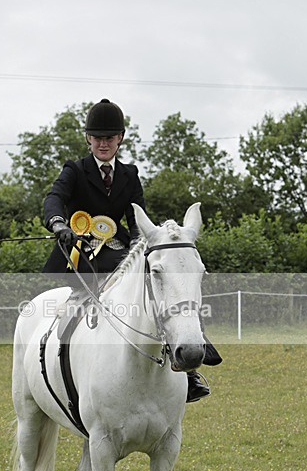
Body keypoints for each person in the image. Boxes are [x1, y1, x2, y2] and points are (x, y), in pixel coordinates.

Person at [43, 97, 212, 402]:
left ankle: (188, 366)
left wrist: (142, 247)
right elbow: (54, 198)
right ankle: (63, 363)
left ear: (119, 138)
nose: (102, 144)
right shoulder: (75, 170)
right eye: (96, 138)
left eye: (108, 138)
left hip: (120, 250)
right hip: (81, 250)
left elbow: (137, 219)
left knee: (163, 288)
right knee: (85, 299)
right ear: (88, 139)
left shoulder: (129, 174)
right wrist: (59, 225)